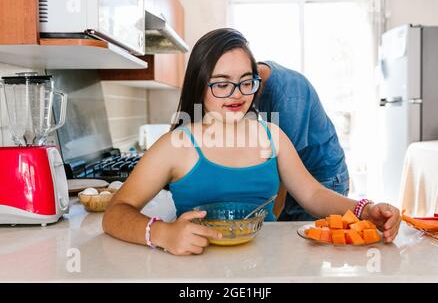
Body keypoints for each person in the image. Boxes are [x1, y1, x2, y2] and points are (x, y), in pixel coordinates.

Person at [102, 28, 401, 256]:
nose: (237, 94)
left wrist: (365, 209)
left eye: (246, 82)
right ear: (199, 83)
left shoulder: (271, 135)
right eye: (222, 84)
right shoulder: (175, 144)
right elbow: (116, 213)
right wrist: (163, 234)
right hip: (196, 270)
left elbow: (313, 194)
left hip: (265, 264)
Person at [256, 62, 349, 221]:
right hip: (298, 181)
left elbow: (282, 167)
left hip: (323, 180)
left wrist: (271, 223)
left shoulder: (289, 97)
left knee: (301, 242)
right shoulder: (256, 79)